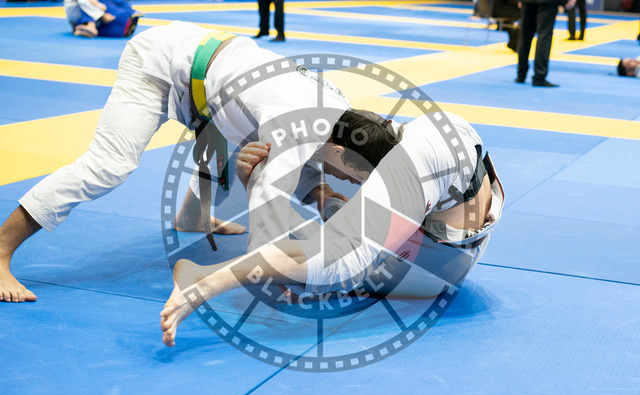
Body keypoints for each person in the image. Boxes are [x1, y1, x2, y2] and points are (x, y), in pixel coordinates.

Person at [0, 21, 386, 303]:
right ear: (341, 151)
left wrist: (325, 198)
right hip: (162, 64)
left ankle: (190, 217)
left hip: (214, 79)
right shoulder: (294, 122)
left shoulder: (343, 118)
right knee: (109, 165)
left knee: (241, 143)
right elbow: (266, 204)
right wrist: (274, 272)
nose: (354, 183)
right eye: (357, 176)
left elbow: (306, 156)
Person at [160, 111, 505, 347]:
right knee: (331, 247)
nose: (338, 176)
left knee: (333, 261)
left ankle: (205, 279)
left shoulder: (416, 158)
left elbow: (331, 254)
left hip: (431, 269)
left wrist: (258, 186)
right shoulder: (403, 139)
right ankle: (264, 249)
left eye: (329, 164)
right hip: (444, 253)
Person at [516, 0, 576, 87]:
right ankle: (539, 76)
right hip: (548, 3)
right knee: (544, 36)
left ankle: (521, 74)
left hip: (528, 2)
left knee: (525, 36)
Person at [64, 0, 142, 38]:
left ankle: (89, 25)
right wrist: (101, 14)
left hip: (117, 24)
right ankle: (90, 24)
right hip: (119, 28)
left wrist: (101, 13)